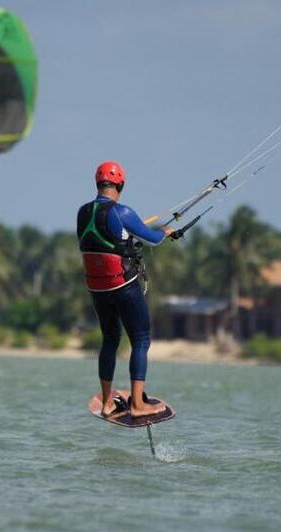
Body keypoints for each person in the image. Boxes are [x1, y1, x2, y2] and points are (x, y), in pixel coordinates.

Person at [77, 161, 174, 417]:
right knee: (140, 339)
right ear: (120, 185)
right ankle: (138, 405)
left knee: (110, 339)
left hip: (97, 288)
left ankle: (108, 402)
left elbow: (108, 240)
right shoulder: (123, 212)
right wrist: (165, 230)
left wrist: (127, 237)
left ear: (97, 184)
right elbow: (152, 239)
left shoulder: (83, 212)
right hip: (123, 285)